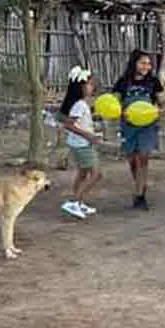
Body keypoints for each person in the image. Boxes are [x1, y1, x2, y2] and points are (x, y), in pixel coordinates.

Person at [113, 50, 163, 210]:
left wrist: (159, 109)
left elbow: (162, 101)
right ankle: (140, 185)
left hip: (148, 126)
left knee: (143, 157)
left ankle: (140, 195)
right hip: (128, 126)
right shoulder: (123, 82)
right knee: (133, 160)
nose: (146, 67)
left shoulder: (153, 82)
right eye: (143, 63)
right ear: (134, 63)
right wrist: (121, 112)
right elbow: (113, 103)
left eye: (149, 64)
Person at [59, 66, 103, 220]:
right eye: (90, 84)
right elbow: (70, 124)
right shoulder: (79, 105)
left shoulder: (79, 104)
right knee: (96, 174)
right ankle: (74, 201)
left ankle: (79, 201)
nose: (92, 87)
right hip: (82, 144)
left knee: (83, 173)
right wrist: (88, 135)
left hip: (78, 143)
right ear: (81, 86)